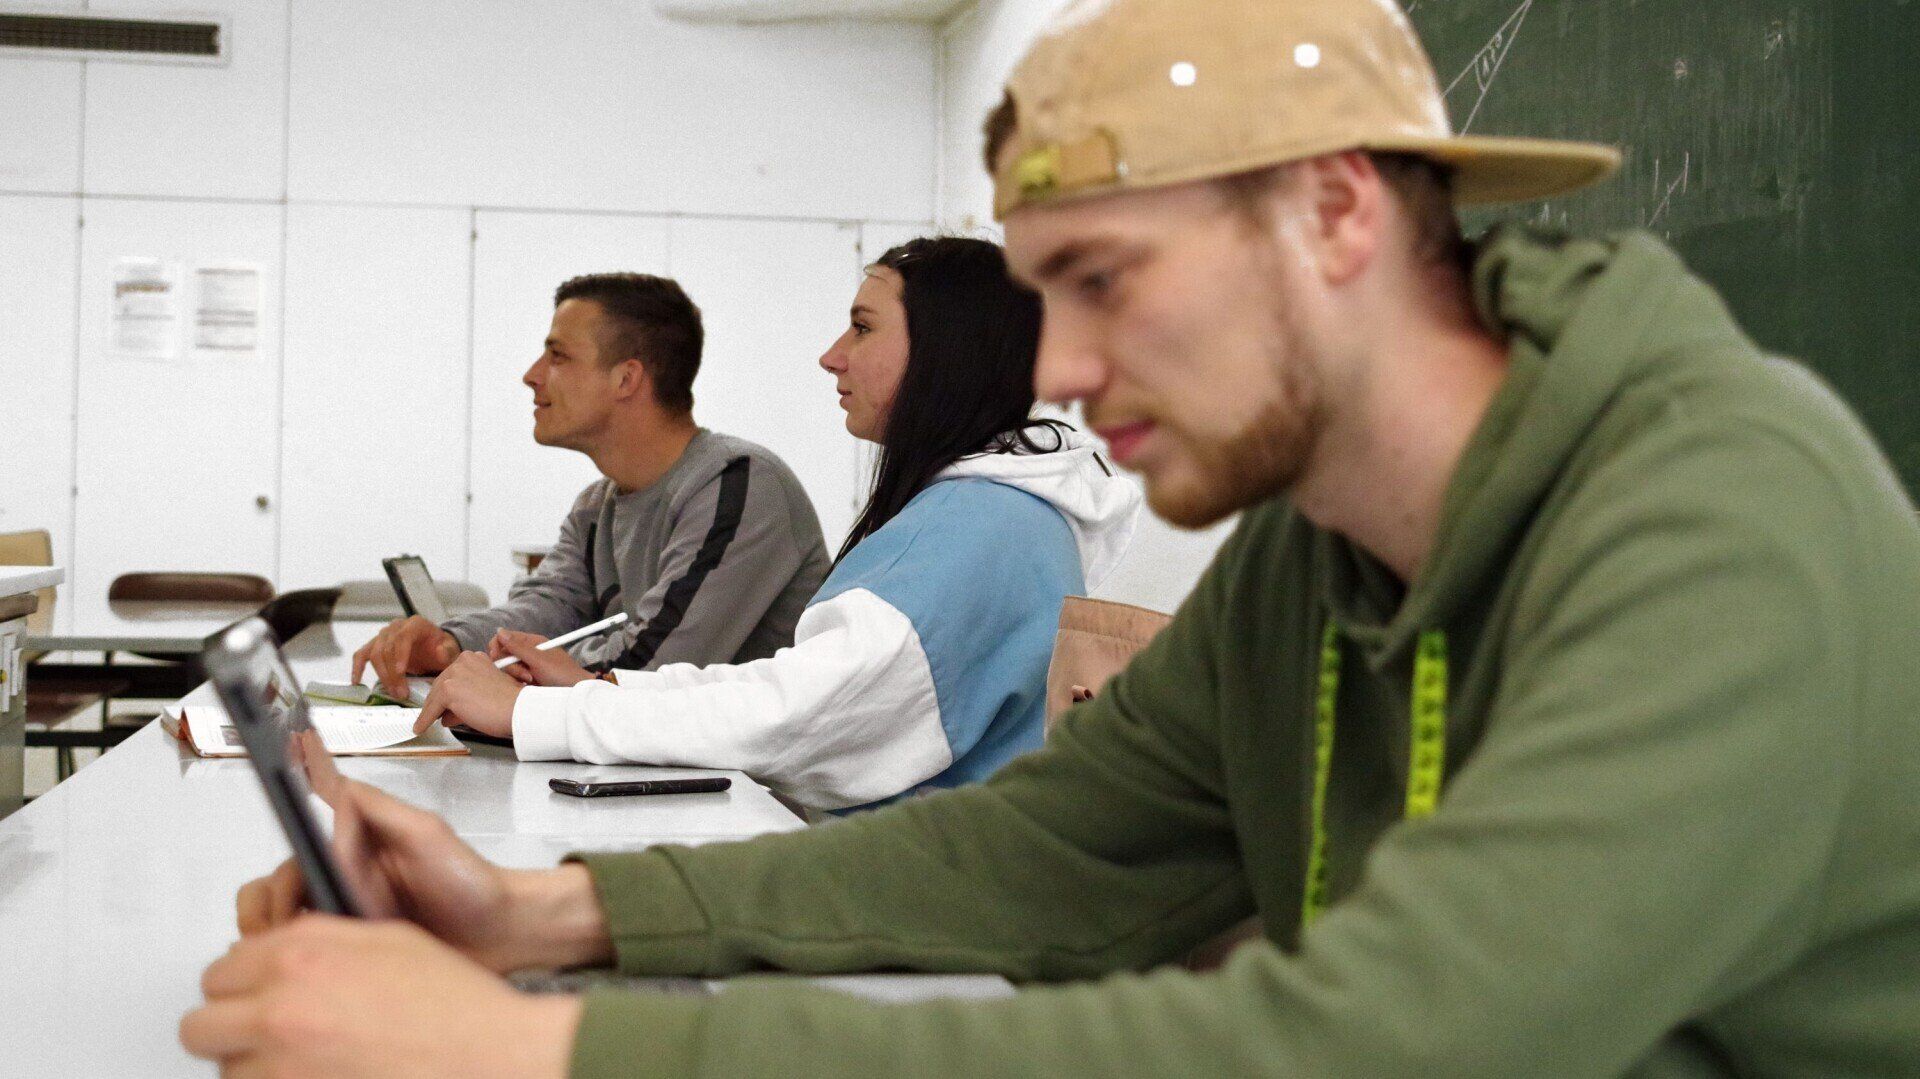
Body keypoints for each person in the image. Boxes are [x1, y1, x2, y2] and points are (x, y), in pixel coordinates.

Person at [184, 0, 1920, 1075]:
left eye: (1106, 281)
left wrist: (547, 1054)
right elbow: (1040, 851)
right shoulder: (1316, 548)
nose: (1066, 371)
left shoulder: (1718, 521)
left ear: (1334, 213)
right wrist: (544, 911)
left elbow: (1394, 1040)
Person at [411, 237, 1140, 812]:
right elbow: (797, 688)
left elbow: (794, 721)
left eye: (862, 328)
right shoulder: (985, 512)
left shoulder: (979, 529)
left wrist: (539, 715)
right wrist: (594, 694)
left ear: (947, 350)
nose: (832, 356)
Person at [350, 273, 830, 699]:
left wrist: (515, 669)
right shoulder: (598, 505)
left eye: (557, 356)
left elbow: (647, 671)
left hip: (747, 775)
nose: (532, 376)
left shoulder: (741, 485)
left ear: (626, 379)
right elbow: (550, 606)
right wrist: (448, 643)